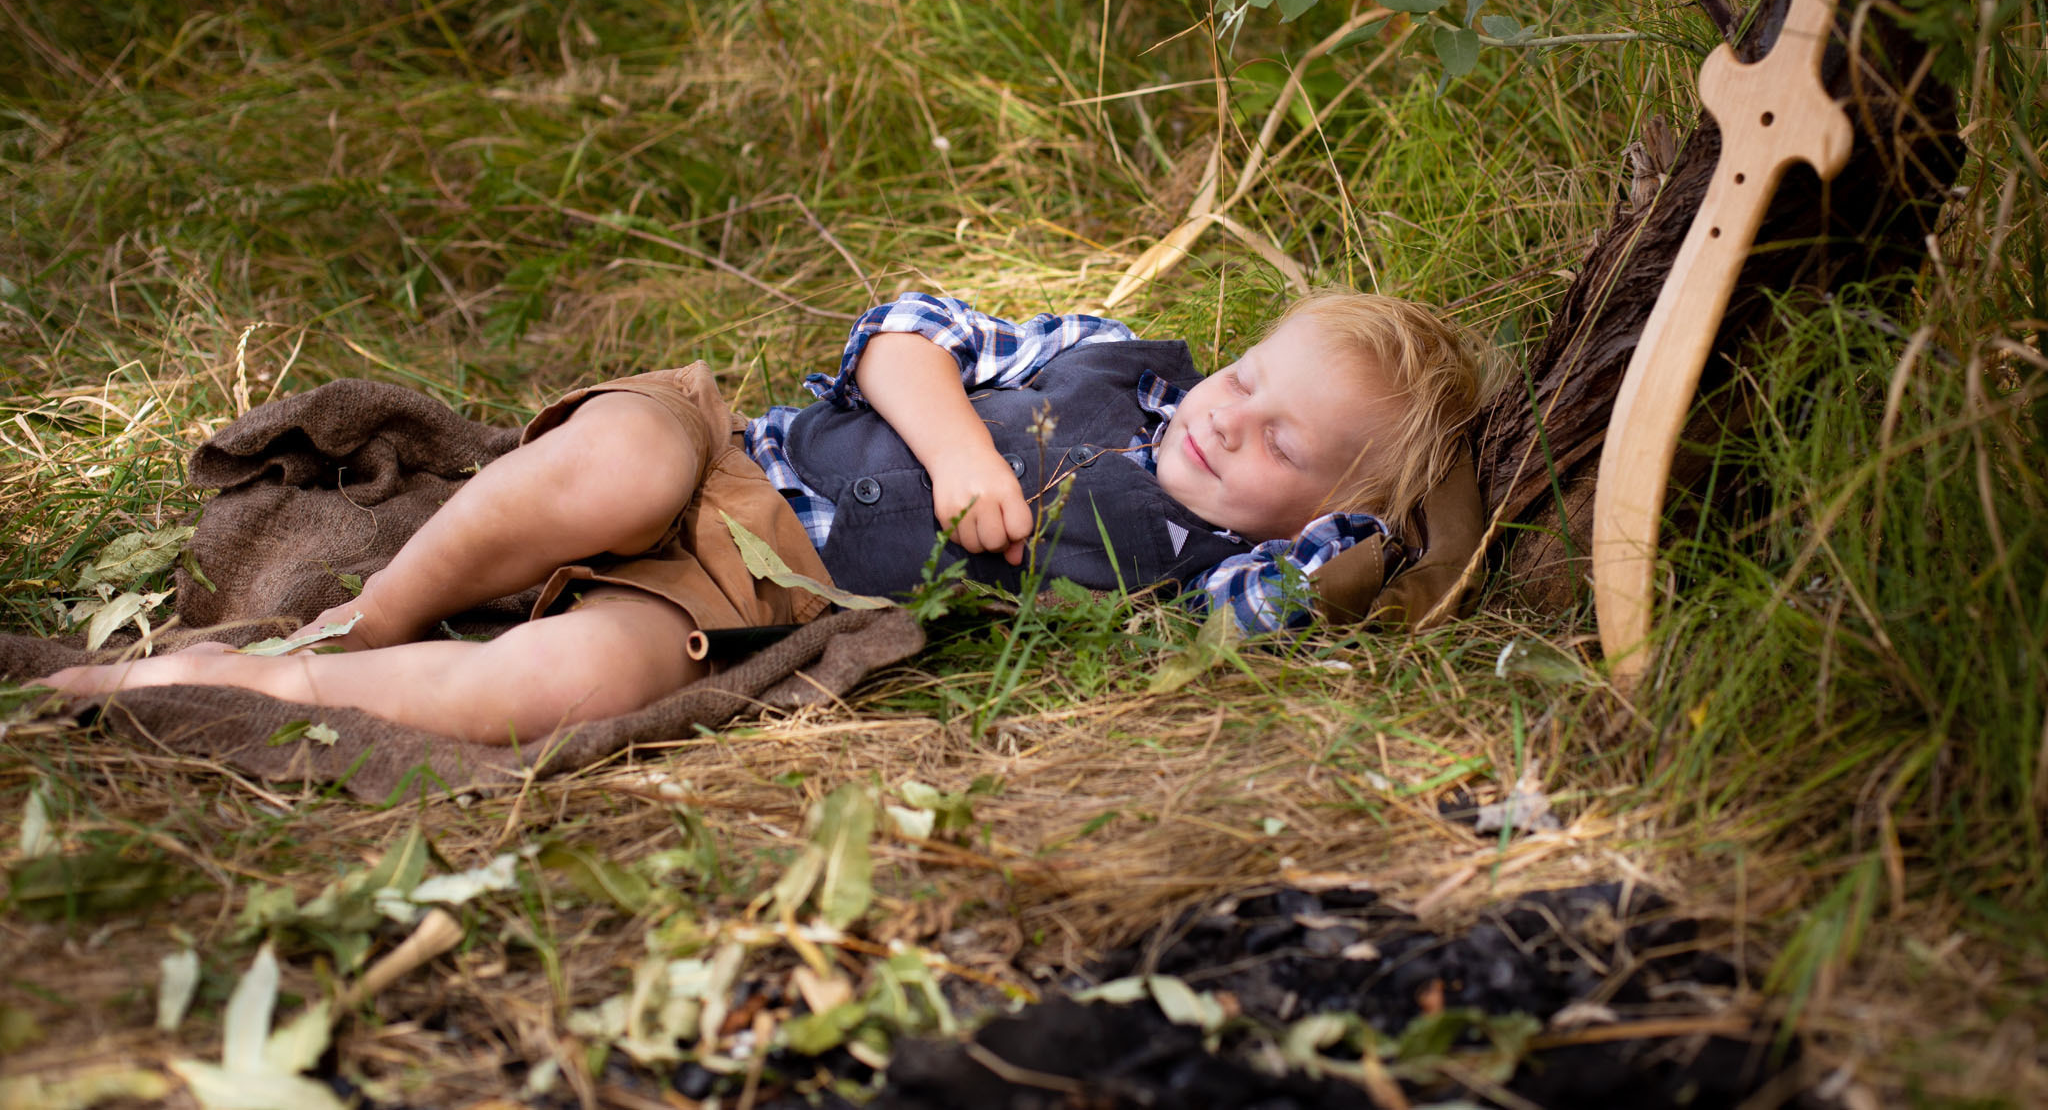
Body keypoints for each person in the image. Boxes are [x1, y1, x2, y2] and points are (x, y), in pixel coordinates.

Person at [40, 290, 1482, 742]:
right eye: (1245, 375)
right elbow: (902, 332)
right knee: (611, 474)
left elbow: (1342, 581)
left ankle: (254, 682)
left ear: (1330, 502)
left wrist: (1406, 521)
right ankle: (378, 606)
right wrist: (964, 451)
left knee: (558, 684)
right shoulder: (1108, 357)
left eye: (1285, 437)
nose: (1232, 414)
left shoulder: (1220, 571)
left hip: (757, 594)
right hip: (717, 458)